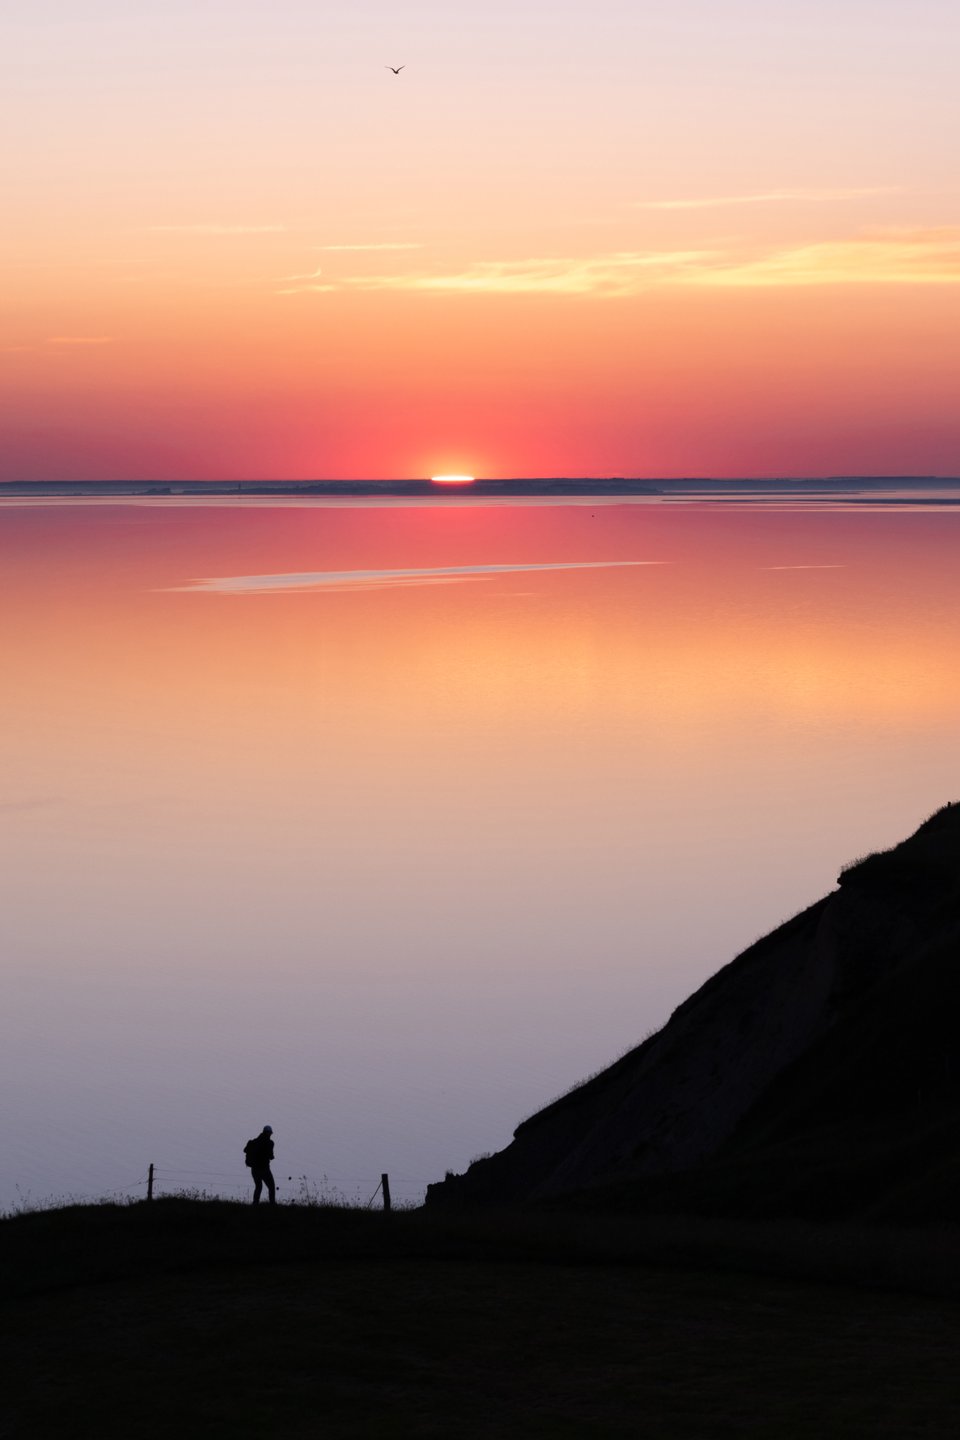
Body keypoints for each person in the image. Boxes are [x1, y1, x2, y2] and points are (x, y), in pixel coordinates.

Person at [244, 1125, 276, 1206]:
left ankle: (255, 1204)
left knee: (258, 1187)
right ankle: (272, 1204)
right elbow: (271, 1156)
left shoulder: (254, 1141)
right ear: (269, 1133)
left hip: (254, 1169)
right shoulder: (270, 1143)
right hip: (264, 1169)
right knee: (271, 1187)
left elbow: (245, 1150)